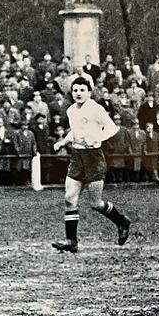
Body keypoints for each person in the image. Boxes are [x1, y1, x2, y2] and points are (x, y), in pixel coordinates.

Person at [51, 77, 131, 253]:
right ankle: (71, 241)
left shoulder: (96, 109)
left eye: (82, 90)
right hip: (76, 156)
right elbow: (75, 131)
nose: (78, 93)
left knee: (96, 203)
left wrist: (97, 138)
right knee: (69, 198)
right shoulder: (71, 110)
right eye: (75, 90)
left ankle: (122, 221)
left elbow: (112, 128)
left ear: (89, 92)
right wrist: (63, 142)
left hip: (94, 157)